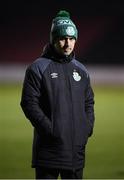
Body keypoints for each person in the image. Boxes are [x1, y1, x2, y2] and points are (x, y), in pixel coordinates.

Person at [20, 10, 95, 179]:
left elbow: (88, 102)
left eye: (72, 38)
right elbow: (29, 103)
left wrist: (86, 128)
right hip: (49, 153)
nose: (68, 44)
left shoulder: (81, 70)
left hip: (76, 152)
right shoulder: (38, 67)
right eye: (62, 38)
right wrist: (51, 130)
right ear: (53, 39)